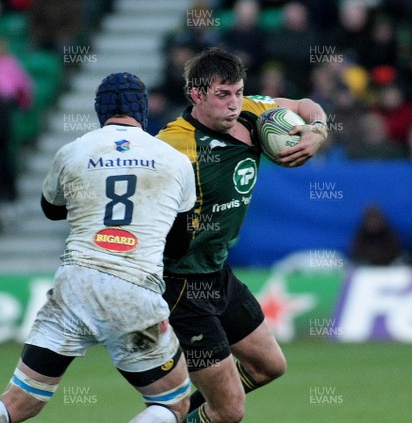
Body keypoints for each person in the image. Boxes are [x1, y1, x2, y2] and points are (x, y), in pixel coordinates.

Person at [0, 72, 197, 423]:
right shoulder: (173, 159)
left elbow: (51, 210)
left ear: (100, 110)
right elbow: (181, 241)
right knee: (172, 404)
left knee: (19, 403)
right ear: (142, 110)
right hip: (133, 290)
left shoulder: (74, 150)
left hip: (74, 286)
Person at [156, 47, 328, 422]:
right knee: (230, 411)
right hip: (180, 285)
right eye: (223, 95)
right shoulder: (174, 146)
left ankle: (175, 413)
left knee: (269, 366)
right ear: (196, 95)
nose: (235, 103)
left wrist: (317, 130)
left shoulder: (253, 111)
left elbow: (304, 103)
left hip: (217, 273)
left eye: (238, 91)